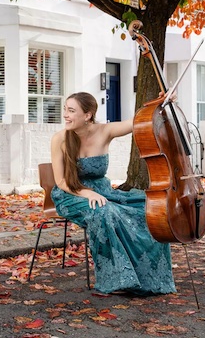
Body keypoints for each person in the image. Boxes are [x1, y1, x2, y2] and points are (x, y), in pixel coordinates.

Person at [50, 91, 176, 295]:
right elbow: (61, 181)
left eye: (71, 110)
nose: (65, 114)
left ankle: (149, 278)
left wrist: (161, 102)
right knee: (103, 212)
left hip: (104, 192)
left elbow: (136, 121)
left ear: (88, 115)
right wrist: (87, 193)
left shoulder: (105, 131)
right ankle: (115, 280)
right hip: (71, 195)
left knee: (147, 208)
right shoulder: (60, 139)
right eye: (65, 109)